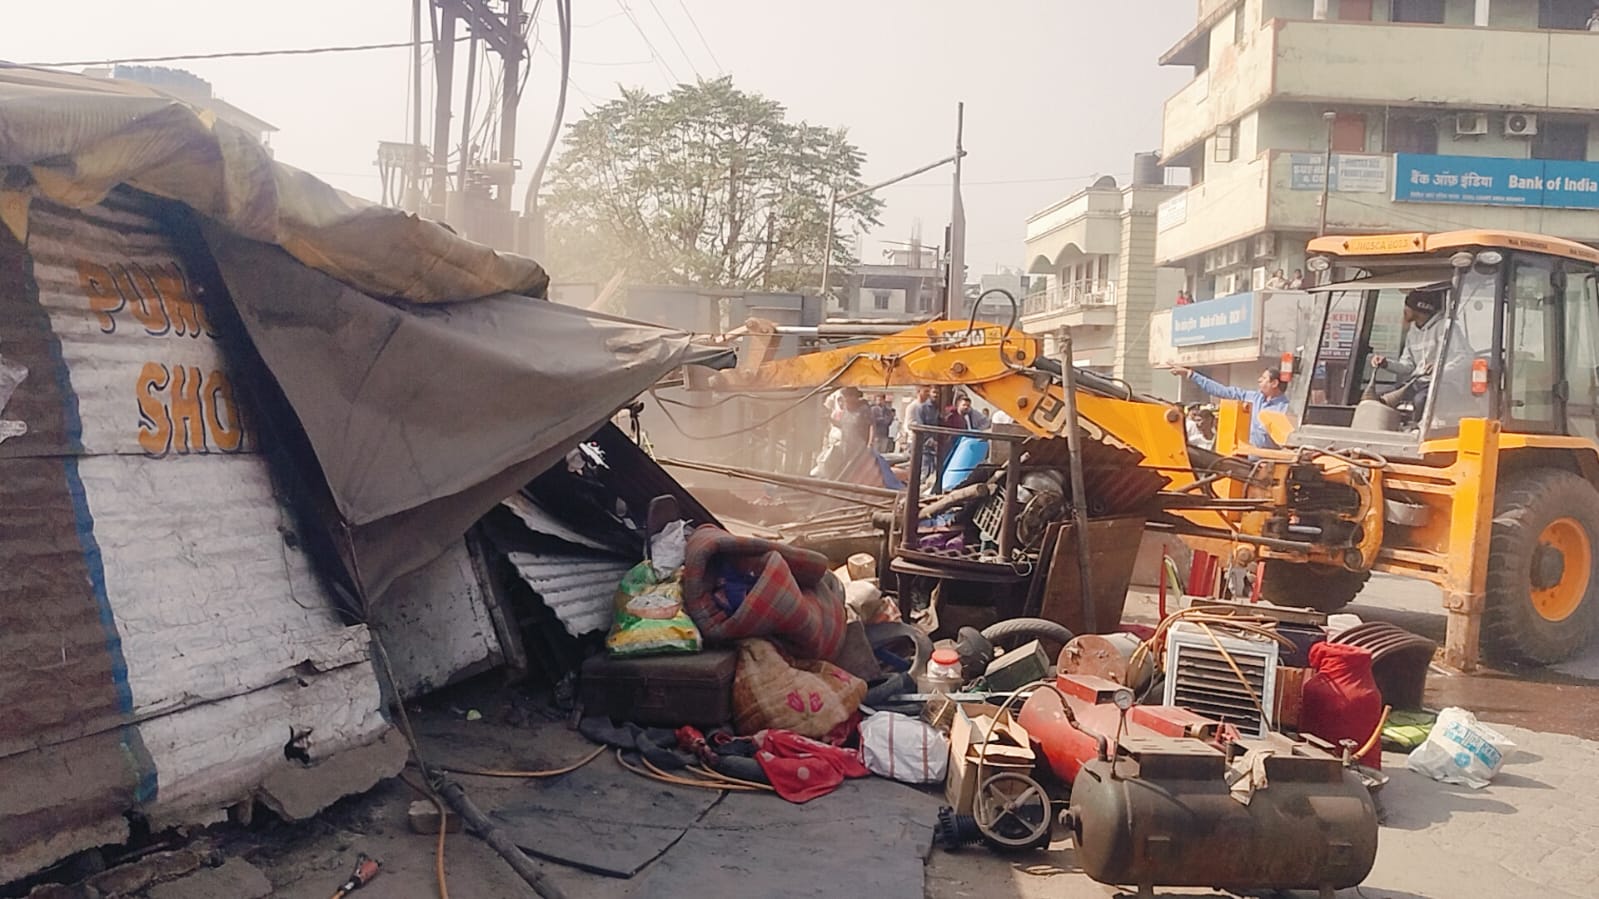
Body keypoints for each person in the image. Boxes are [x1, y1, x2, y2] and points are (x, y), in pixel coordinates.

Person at [1371, 287, 1451, 412]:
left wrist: (1439, 367)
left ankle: (1417, 429)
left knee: (1420, 400)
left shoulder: (1445, 328)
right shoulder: (1412, 333)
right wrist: (1386, 363)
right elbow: (1408, 366)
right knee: (1377, 399)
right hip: (1416, 383)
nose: (1404, 310)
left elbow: (1462, 358)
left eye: (1407, 306)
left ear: (1419, 308)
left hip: (1441, 384)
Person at [1172, 365, 1290, 450]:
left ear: (1274, 383)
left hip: (1269, 466)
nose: (1259, 380)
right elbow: (1223, 391)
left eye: (1264, 378)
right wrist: (1191, 375)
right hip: (1244, 460)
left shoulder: (1286, 410)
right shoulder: (1252, 398)